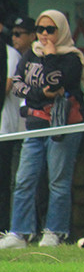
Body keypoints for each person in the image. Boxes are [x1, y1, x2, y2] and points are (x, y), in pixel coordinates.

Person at [0, 10, 84, 248]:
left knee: (58, 181)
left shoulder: (71, 57)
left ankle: (55, 231)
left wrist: (50, 58)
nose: (45, 35)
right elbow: (18, 84)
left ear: (62, 31)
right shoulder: (30, 54)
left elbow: (58, 83)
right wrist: (40, 94)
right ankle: (19, 232)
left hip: (62, 126)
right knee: (24, 179)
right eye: (41, 30)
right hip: (35, 125)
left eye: (51, 30)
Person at [0, 16, 33, 232]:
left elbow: (6, 86)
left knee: (5, 182)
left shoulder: (9, 54)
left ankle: (4, 228)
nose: (15, 37)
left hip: (5, 129)